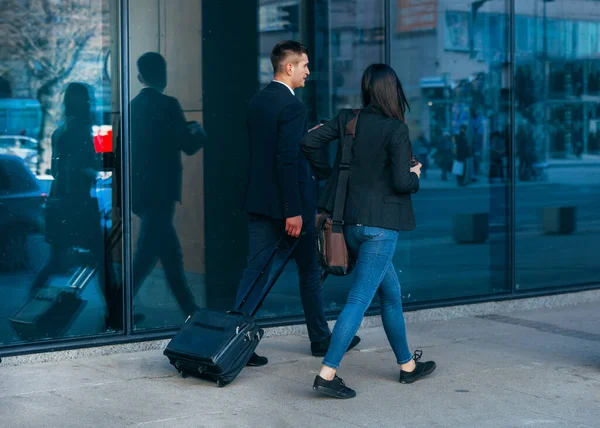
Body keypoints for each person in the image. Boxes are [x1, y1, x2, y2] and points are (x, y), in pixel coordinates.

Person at [301, 64, 436, 399]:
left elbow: (308, 141)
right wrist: (416, 173)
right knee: (360, 300)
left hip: (348, 225)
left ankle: (407, 366)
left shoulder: (350, 119)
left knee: (390, 293)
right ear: (394, 91)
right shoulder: (396, 129)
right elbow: (402, 182)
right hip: (380, 229)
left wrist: (328, 173)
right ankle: (327, 373)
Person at [237, 40, 360, 367]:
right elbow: (287, 159)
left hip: (260, 201)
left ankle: (237, 341)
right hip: (291, 207)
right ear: (288, 67)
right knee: (308, 270)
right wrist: (293, 211)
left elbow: (264, 155)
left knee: (257, 272)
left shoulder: (256, 101)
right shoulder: (293, 107)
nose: (308, 71)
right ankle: (320, 339)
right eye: (304, 65)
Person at [30, 82, 121, 331]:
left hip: (61, 203)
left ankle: (32, 305)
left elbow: (60, 168)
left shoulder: (60, 130)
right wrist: (98, 171)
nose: (92, 103)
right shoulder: (80, 130)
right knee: (102, 259)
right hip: (79, 205)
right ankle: (117, 317)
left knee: (57, 258)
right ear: (82, 102)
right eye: (88, 99)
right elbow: (81, 167)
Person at [130, 52, 207, 320]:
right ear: (164, 74)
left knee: (165, 252)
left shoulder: (132, 107)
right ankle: (117, 310)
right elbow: (187, 145)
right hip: (162, 192)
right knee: (148, 256)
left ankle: (190, 310)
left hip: (140, 192)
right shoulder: (168, 104)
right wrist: (199, 132)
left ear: (139, 77)